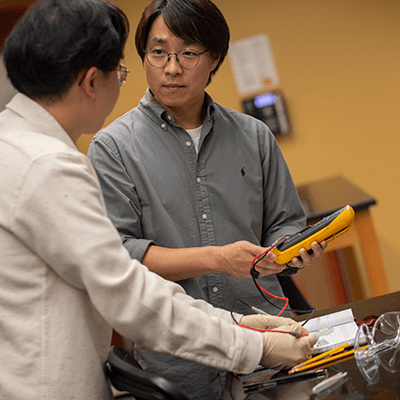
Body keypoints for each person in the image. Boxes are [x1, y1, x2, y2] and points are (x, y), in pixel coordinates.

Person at [0, 1, 319, 399]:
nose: (170, 68)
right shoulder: (50, 165)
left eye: (187, 53)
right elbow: (128, 290)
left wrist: (240, 325)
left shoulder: (14, 148)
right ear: (90, 81)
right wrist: (252, 344)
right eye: (122, 71)